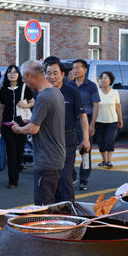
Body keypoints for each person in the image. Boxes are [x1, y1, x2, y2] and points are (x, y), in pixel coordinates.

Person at [11, 60, 65, 205]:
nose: (24, 82)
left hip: (46, 159)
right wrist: (30, 122)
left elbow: (33, 129)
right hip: (57, 157)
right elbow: (46, 121)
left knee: (43, 206)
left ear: (29, 75)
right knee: (55, 205)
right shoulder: (55, 92)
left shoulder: (43, 97)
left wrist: (18, 129)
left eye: (24, 78)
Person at [44, 58, 89, 201]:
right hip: (48, 141)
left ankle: (69, 209)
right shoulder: (41, 92)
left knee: (65, 177)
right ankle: (55, 211)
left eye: (55, 73)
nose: (52, 77)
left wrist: (86, 139)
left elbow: (82, 116)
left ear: (63, 74)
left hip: (67, 139)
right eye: (48, 73)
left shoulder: (72, 92)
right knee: (51, 179)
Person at [0, 65, 34, 189]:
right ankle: (12, 180)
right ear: (6, 75)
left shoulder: (25, 87)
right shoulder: (3, 89)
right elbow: (2, 108)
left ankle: (17, 168)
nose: (12, 74)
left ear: (18, 74)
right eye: (9, 72)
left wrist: (25, 105)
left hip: (22, 124)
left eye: (14, 72)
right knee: (11, 152)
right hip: (8, 125)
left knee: (19, 152)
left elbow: (33, 102)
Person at [67, 59, 100, 191]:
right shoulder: (69, 85)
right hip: (71, 120)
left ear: (85, 70)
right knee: (69, 150)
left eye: (78, 68)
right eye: (73, 68)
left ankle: (84, 179)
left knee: (85, 151)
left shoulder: (91, 86)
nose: (75, 70)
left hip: (86, 120)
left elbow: (96, 106)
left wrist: (92, 125)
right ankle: (72, 175)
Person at [95, 71, 123, 168]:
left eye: (106, 78)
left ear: (110, 80)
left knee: (110, 140)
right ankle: (104, 160)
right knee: (100, 141)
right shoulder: (97, 92)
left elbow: (118, 107)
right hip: (99, 121)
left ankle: (109, 161)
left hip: (112, 121)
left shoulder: (115, 92)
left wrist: (120, 119)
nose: (104, 80)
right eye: (102, 78)